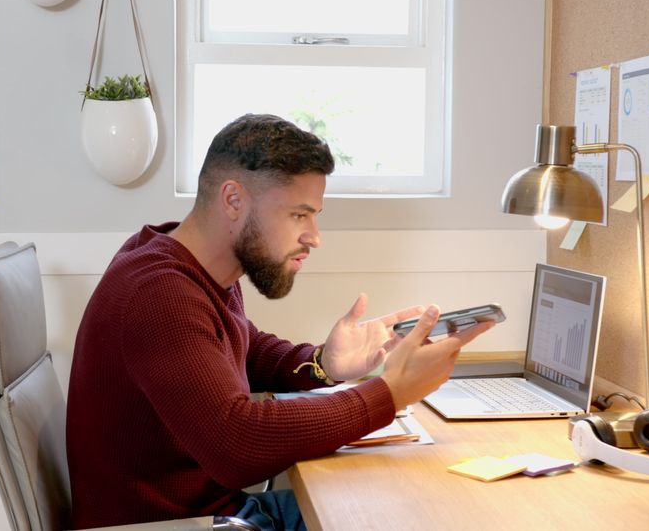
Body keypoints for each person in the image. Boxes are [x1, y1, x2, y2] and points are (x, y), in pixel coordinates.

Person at [66, 113, 495, 530]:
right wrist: (390, 393)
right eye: (298, 214)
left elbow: (244, 349)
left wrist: (326, 363)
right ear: (233, 200)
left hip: (219, 512)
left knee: (401, 502)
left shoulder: (192, 267)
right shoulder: (159, 294)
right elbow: (236, 444)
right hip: (184, 524)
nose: (314, 236)